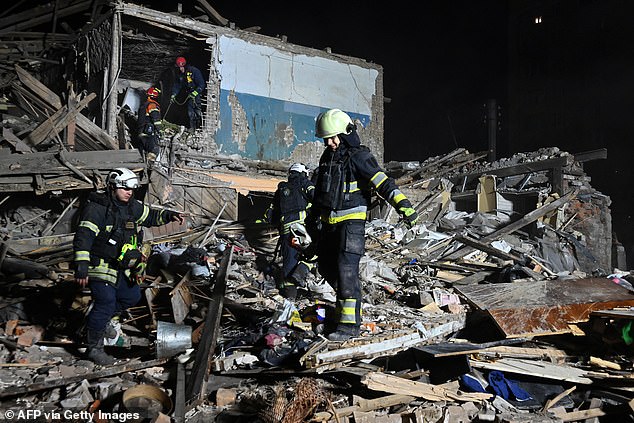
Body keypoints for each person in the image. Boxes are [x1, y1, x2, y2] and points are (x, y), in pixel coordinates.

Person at [311, 109, 418, 341]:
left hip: (351, 226)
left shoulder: (359, 157)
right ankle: (340, 315)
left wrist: (404, 206)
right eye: (326, 138)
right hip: (329, 226)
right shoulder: (327, 158)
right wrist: (312, 225)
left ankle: (349, 327)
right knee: (327, 268)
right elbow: (320, 194)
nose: (329, 143)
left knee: (346, 271)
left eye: (333, 137)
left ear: (347, 133)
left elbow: (383, 183)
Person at [73, 168, 184, 365]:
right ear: (113, 186)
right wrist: (81, 266)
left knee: (131, 296)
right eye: (124, 188)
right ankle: (94, 348)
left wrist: (169, 216)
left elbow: (150, 216)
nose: (129, 192)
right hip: (100, 265)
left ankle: (96, 320)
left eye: (131, 189)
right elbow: (83, 237)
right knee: (106, 302)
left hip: (122, 267)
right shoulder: (97, 208)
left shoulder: (131, 207)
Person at [259, 163, 316, 299]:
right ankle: (300, 273)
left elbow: (271, 215)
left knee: (289, 263)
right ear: (303, 173)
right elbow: (318, 199)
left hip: (286, 231)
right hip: (302, 228)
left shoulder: (281, 189)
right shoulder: (305, 183)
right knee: (313, 254)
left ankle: (290, 297)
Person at [170, 56, 205, 131]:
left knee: (198, 112)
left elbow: (202, 84)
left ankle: (200, 128)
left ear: (185, 65)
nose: (180, 69)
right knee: (190, 113)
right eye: (179, 67)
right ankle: (192, 128)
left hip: (197, 94)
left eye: (182, 67)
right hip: (189, 95)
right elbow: (177, 85)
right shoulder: (180, 74)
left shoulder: (194, 71)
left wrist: (195, 93)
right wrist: (174, 94)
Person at [137, 86, 162, 162]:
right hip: (148, 134)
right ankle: (150, 168)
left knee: (143, 154)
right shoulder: (152, 105)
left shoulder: (144, 105)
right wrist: (160, 131)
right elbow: (156, 119)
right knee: (154, 150)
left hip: (141, 133)